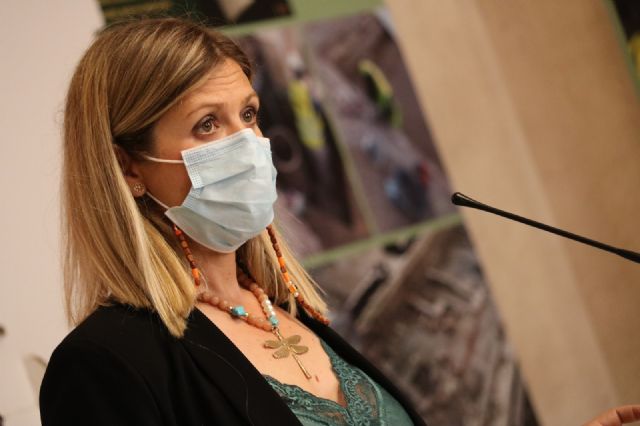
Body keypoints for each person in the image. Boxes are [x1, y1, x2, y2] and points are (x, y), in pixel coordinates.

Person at [38, 18, 423, 425]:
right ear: (128, 167)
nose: (249, 143)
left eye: (248, 114)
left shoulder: (288, 307)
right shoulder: (104, 364)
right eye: (207, 124)